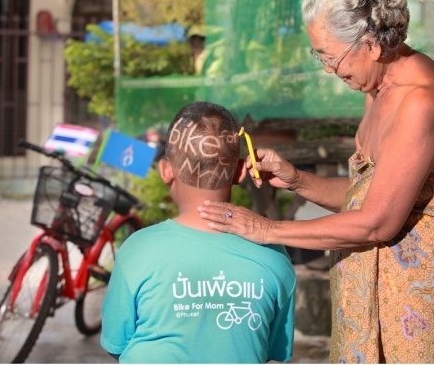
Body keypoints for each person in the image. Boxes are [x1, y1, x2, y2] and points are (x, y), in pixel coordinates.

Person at [197, 0, 434, 363]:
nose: (328, 69)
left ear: (372, 44)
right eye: (319, 55)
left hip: (412, 315)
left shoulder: (419, 104)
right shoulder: (378, 85)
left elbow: (378, 220)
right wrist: (296, 180)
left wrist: (267, 230)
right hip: (364, 304)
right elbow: (370, 195)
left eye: (331, 56)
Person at [100, 101, 296, 363]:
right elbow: (273, 351)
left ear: (166, 171)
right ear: (239, 172)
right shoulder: (273, 254)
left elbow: (116, 343)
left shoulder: (137, 250)